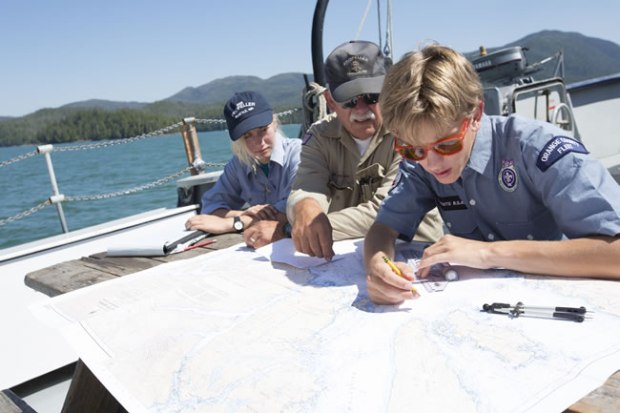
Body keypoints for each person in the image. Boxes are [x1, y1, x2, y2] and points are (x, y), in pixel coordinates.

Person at [364, 44, 620, 304]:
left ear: (475, 114)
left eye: (446, 145)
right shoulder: (420, 162)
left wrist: (488, 253)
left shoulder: (537, 149)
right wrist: (379, 265)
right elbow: (383, 228)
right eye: (413, 150)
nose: (431, 163)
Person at [287, 40, 444, 260]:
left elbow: (385, 211)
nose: (361, 110)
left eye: (372, 97)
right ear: (330, 101)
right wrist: (305, 208)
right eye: (349, 100)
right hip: (345, 259)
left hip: (415, 256)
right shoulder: (319, 137)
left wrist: (306, 227)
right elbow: (307, 186)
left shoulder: (410, 131)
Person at [185, 90, 301, 249]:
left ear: (274, 122)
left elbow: (297, 206)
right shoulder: (239, 164)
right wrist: (243, 214)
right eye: (247, 135)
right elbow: (211, 208)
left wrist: (235, 223)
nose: (259, 142)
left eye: (262, 130)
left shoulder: (299, 152)